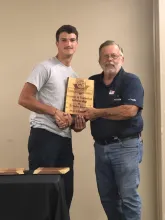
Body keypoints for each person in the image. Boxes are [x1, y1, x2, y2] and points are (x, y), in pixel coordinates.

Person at [18, 25, 86, 212]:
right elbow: (24, 98)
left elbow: (73, 121)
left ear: (77, 44)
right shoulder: (45, 67)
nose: (68, 43)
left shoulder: (76, 78)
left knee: (65, 194)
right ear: (57, 43)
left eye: (72, 40)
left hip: (64, 141)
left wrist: (75, 123)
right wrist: (54, 112)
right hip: (43, 136)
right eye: (63, 40)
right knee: (43, 195)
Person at [81, 40, 144, 220]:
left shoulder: (131, 81)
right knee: (107, 198)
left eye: (114, 55)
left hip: (126, 147)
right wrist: (78, 121)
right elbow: (84, 114)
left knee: (128, 197)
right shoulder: (91, 83)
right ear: (99, 59)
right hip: (100, 148)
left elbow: (130, 111)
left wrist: (98, 113)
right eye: (105, 56)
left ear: (122, 59)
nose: (110, 59)